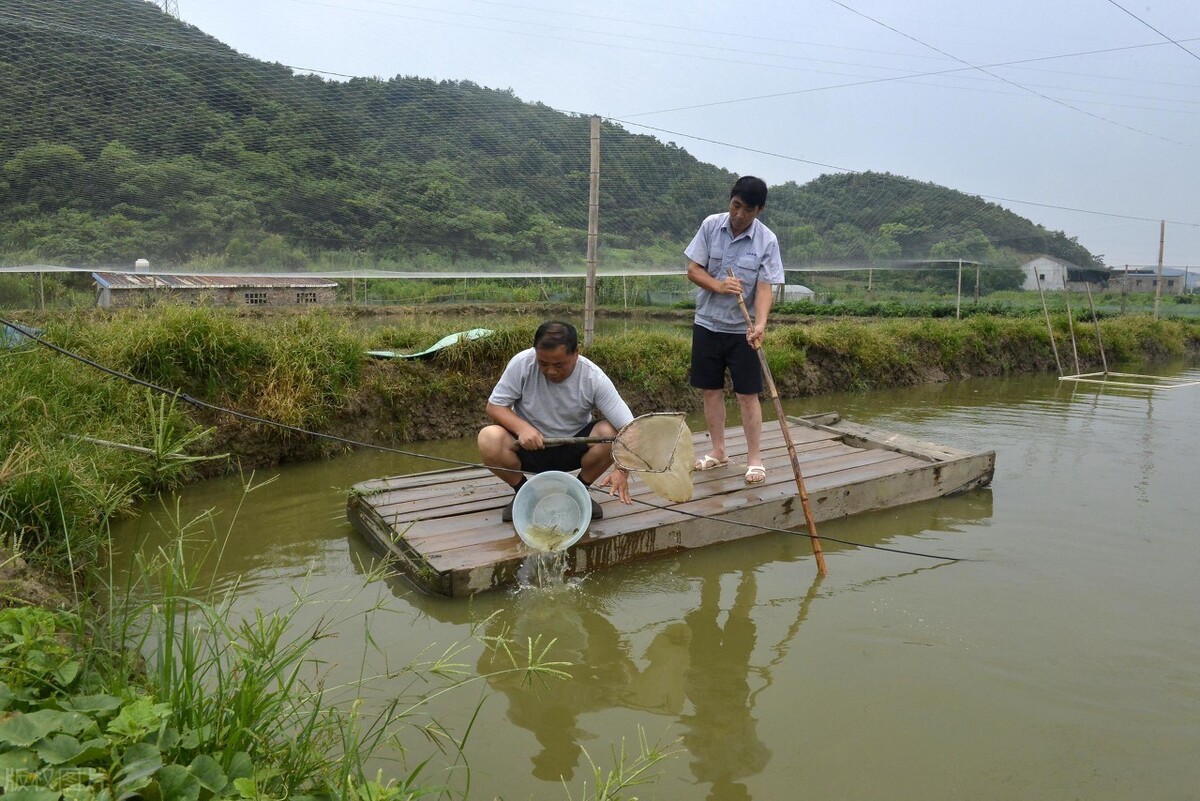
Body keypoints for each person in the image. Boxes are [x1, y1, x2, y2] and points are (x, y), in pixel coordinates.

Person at [479, 320, 634, 522]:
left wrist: (622, 470)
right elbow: (494, 406)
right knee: (488, 437)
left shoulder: (593, 377)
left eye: (559, 364)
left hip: (573, 448)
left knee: (609, 432)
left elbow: (630, 428)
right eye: (543, 364)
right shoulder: (521, 364)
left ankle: (578, 492)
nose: (551, 371)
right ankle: (524, 493)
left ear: (576, 353)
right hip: (529, 448)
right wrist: (522, 428)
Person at [685, 176, 784, 485]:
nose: (739, 215)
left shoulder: (766, 240)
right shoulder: (711, 226)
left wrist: (761, 324)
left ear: (760, 210)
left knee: (747, 394)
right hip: (708, 325)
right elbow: (693, 270)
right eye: (736, 206)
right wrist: (718, 285)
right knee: (710, 391)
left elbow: (765, 288)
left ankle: (754, 459)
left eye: (748, 210)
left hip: (743, 331)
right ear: (730, 201)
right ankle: (718, 451)